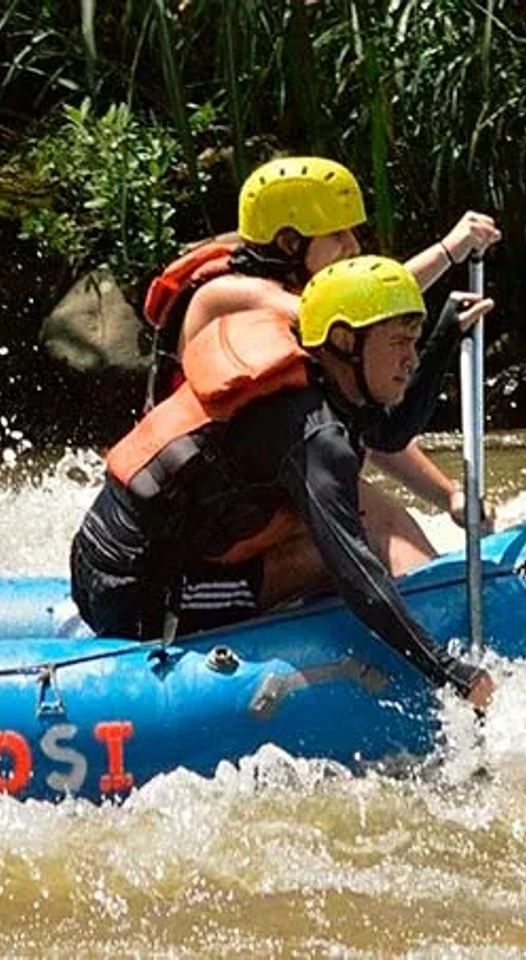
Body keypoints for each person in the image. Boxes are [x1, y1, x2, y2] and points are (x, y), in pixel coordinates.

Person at [72, 256, 495, 709]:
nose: (409, 359)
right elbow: (354, 571)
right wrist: (448, 672)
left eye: (413, 343)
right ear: (345, 340)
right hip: (131, 593)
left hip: (130, 553)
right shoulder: (312, 434)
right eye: (398, 343)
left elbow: (387, 432)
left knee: (338, 531)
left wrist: (445, 337)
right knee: (335, 552)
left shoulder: (323, 371)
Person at [141, 157, 502, 577]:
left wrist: (449, 494)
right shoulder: (227, 296)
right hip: (205, 508)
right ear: (291, 243)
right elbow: (365, 310)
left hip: (267, 484)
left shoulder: (306, 313)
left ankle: (429, 597)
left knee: (384, 517)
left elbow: (362, 421)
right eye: (338, 235)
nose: (353, 246)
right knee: (380, 524)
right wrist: (447, 251)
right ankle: (439, 620)